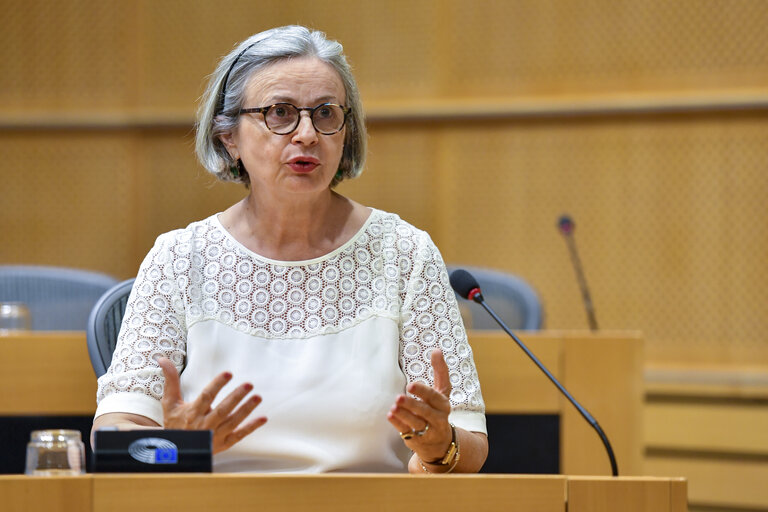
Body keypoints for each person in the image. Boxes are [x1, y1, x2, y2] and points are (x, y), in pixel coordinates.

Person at [92, 25, 488, 473]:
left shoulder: (405, 253)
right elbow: (113, 441)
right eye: (280, 112)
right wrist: (178, 449)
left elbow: (467, 443)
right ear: (229, 137)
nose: (306, 134)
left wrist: (439, 449)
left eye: (325, 114)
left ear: (346, 132)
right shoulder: (179, 259)